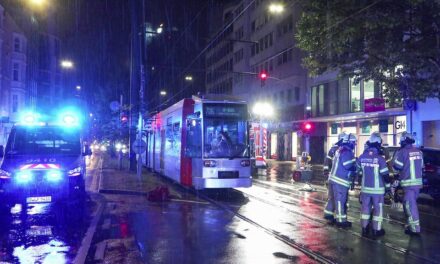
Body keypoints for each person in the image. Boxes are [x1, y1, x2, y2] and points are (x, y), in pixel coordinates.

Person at [357, 132, 390, 238]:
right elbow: (385, 175)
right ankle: (377, 230)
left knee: (365, 209)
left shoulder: (361, 157)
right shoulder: (380, 159)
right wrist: (388, 189)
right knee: (377, 209)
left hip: (365, 190)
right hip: (378, 190)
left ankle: (364, 229)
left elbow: (358, 173)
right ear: (378, 145)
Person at [393, 132, 423, 235]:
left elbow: (397, 166)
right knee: (411, 205)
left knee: (410, 207)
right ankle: (413, 226)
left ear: (403, 141)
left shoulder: (402, 152)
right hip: (417, 185)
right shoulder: (419, 152)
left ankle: (415, 229)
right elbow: (421, 166)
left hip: (408, 184)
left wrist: (395, 158)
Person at [325, 133, 357, 228]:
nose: (355, 144)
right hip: (340, 181)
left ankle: (328, 214)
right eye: (354, 142)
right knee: (340, 201)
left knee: (333, 199)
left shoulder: (340, 150)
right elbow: (349, 166)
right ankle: (341, 221)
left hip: (333, 179)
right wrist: (356, 166)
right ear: (350, 142)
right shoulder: (347, 152)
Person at [323, 132, 347, 220]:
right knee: (339, 198)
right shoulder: (341, 150)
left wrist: (326, 172)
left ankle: (328, 214)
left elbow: (327, 160)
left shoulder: (334, 149)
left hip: (331, 176)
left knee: (332, 197)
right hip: (337, 177)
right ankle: (340, 218)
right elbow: (328, 161)